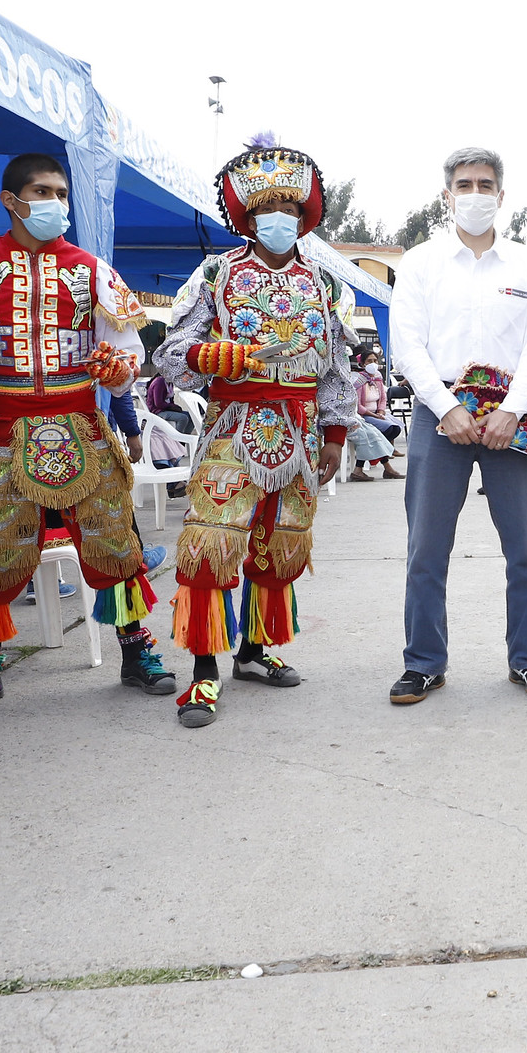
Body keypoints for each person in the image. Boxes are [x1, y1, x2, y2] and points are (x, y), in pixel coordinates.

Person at [0, 153, 167, 720]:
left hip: (83, 428)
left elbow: (128, 349)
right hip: (2, 431)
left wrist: (120, 372)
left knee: (116, 544)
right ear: (12, 200)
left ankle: (136, 652)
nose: (56, 203)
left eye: (62, 193)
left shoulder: (93, 270)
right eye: (43, 191)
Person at [155, 140, 357, 726]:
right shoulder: (217, 272)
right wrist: (210, 355)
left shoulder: (324, 284)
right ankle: (202, 672)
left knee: (279, 546)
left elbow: (338, 366)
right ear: (247, 217)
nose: (279, 219)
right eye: (266, 209)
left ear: (304, 217)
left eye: (289, 209)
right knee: (211, 543)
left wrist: (338, 434)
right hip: (232, 425)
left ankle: (252, 651)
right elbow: (173, 354)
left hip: (298, 431)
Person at [386, 147, 527, 704]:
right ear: (447, 196)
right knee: (426, 548)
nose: (475, 194)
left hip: (513, 420)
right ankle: (424, 663)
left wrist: (512, 407)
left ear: (501, 196)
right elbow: (407, 345)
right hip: (441, 415)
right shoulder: (420, 263)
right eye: (465, 185)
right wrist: (446, 407)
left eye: (486, 184)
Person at [351, 358, 405, 480]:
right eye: (369, 361)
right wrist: (374, 415)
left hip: (373, 415)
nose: (373, 364)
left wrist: (380, 411)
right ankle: (386, 467)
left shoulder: (377, 379)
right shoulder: (358, 381)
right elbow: (357, 405)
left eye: (375, 360)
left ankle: (360, 469)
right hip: (362, 416)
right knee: (374, 434)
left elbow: (383, 399)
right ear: (362, 364)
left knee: (391, 430)